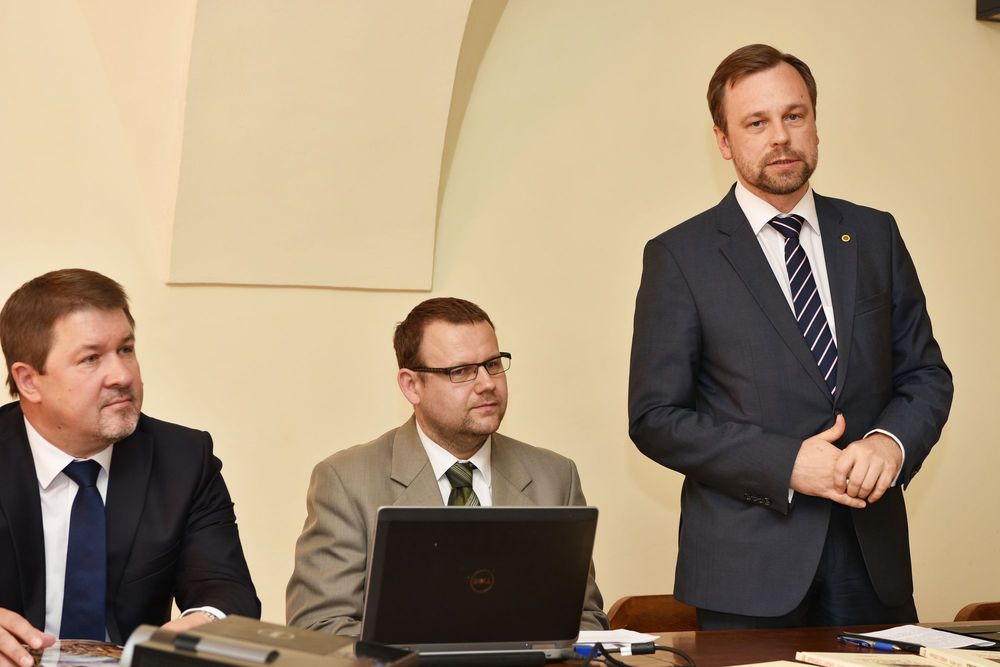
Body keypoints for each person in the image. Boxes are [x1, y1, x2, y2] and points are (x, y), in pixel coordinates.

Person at [628, 44, 952, 629]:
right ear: (724, 141)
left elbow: (925, 375)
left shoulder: (874, 235)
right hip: (746, 574)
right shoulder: (680, 257)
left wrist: (890, 444)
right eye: (756, 122)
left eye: (794, 116)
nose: (780, 137)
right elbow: (655, 417)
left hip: (872, 563)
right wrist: (786, 464)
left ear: (815, 124)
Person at [286, 297, 608, 635]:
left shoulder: (555, 477)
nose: (487, 383)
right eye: (461, 371)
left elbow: (585, 619)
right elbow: (319, 627)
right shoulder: (347, 481)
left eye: (492, 364)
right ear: (412, 386)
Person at [0, 269, 259, 662]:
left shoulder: (183, 460)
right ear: (28, 381)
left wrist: (202, 623)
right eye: (90, 358)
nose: (122, 375)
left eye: (125, 349)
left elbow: (228, 590)